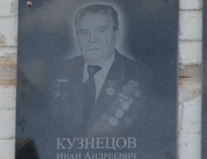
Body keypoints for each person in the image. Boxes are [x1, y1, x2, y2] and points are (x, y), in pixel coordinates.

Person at [50, 4, 147, 135]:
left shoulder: (139, 74)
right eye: (85, 32)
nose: (92, 40)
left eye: (101, 31)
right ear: (77, 37)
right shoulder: (58, 70)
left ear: (116, 35)